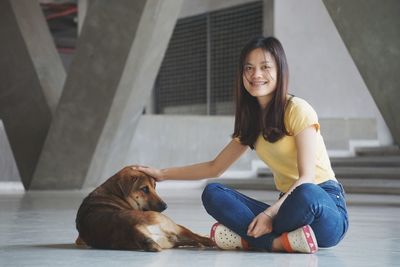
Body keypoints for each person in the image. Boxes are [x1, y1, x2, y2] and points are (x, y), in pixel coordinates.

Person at [132, 36, 349, 253]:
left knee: (307, 193)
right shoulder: (251, 121)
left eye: (265, 67)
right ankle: (276, 242)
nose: (256, 75)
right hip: (286, 210)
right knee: (213, 192)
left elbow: (306, 178)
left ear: (280, 71)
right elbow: (214, 168)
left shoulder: (297, 109)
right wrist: (162, 174)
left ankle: (253, 239)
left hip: (323, 208)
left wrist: (268, 215)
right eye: (249, 68)